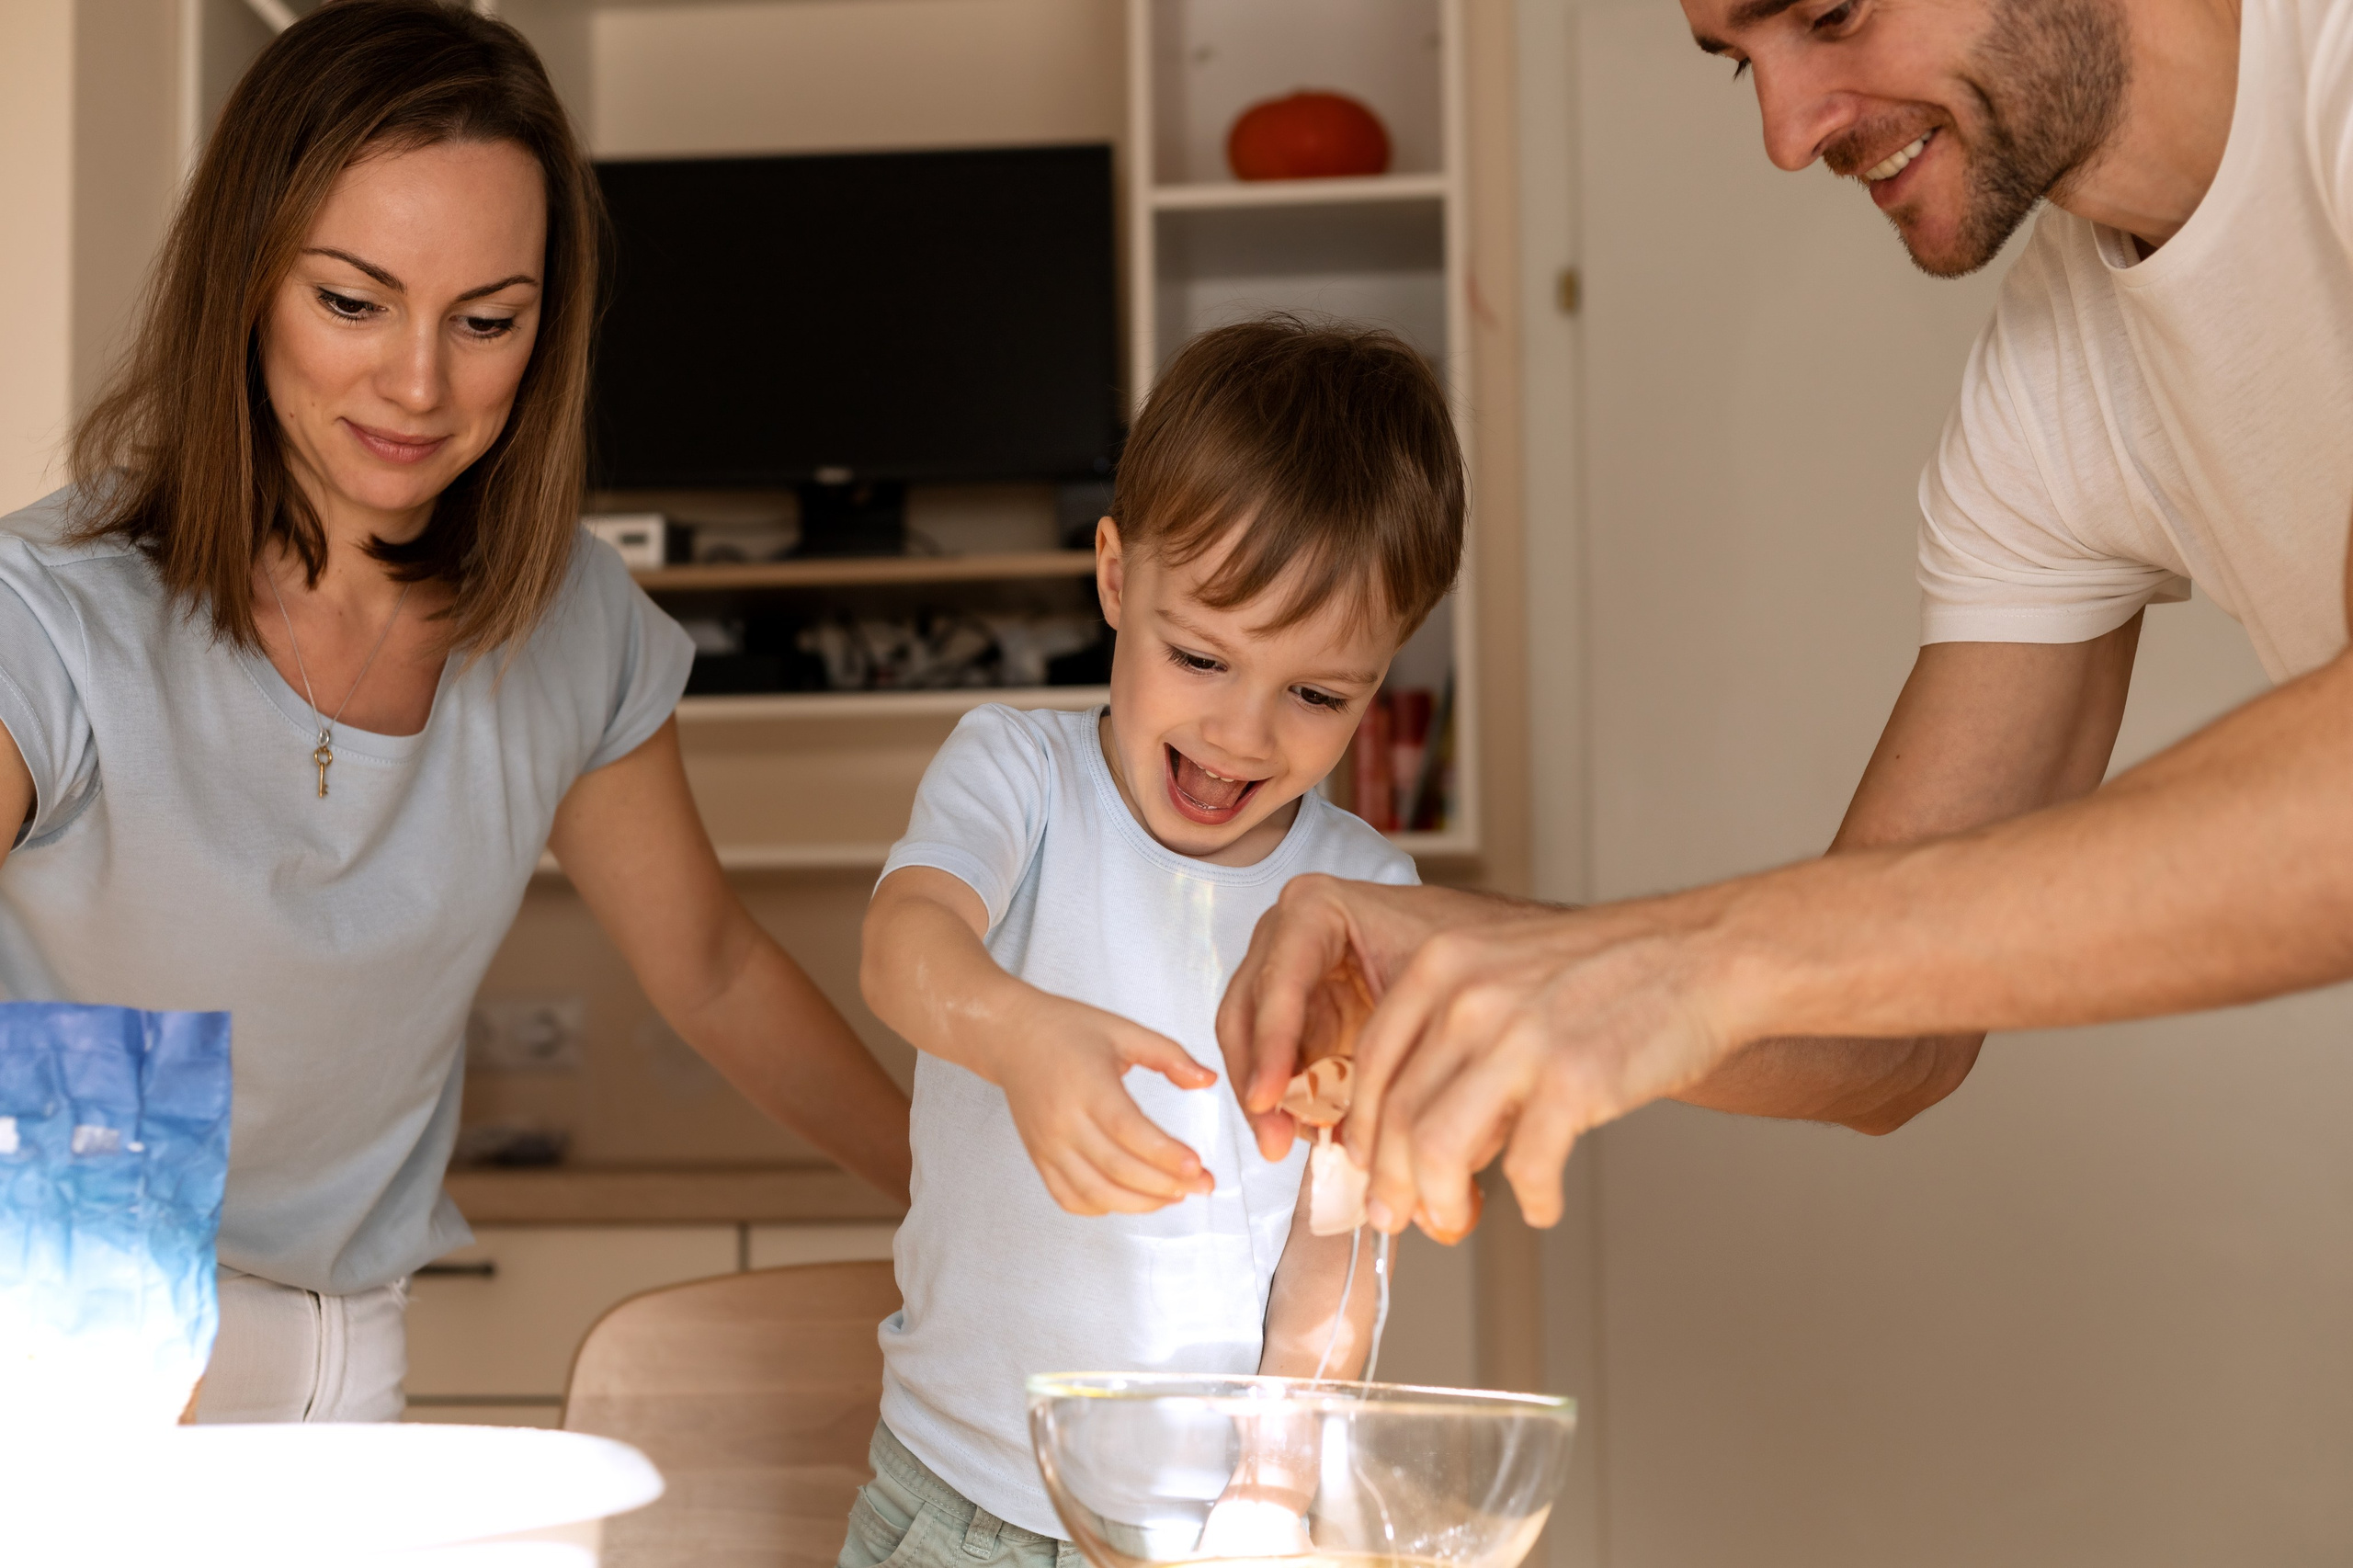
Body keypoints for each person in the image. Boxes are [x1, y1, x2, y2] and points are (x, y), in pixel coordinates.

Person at [1217, 0, 2353, 1243]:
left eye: (1830, 12)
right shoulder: (2055, 383)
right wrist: (1473, 969)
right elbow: (1890, 1026)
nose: (1786, 130)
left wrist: (1684, 958)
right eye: (1740, 65)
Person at [0, 0, 909, 1421]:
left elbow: (713, 970)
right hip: (64, 1335)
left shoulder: (568, 621)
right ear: (244, 284)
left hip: (348, 1347)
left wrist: (954, 1198)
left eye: (487, 321)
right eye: (352, 302)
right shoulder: (47, 616)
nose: (420, 386)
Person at [841, 318, 1464, 1565]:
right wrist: (1016, 1033)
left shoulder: (1367, 896)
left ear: (1382, 665)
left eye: (1319, 693)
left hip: (1210, 1532)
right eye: (1199, 656)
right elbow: (903, 944)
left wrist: (1274, 1495)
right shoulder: (1018, 775)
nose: (1242, 732)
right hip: (959, 1507)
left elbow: (1332, 1255)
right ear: (1117, 578)